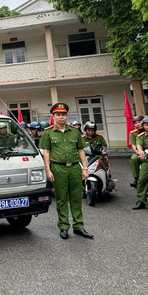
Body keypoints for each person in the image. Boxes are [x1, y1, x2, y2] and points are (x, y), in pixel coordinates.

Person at [40, 103, 93, 240]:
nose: (61, 117)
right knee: (61, 198)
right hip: (58, 169)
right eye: (58, 114)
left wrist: (85, 168)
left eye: (63, 114)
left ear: (66, 116)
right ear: (53, 116)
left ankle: (78, 226)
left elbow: (81, 150)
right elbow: (46, 152)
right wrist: (48, 170)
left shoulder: (75, 132)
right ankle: (63, 227)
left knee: (76, 197)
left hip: (74, 168)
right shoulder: (48, 132)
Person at [128, 116, 144, 187]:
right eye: (135, 123)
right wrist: (139, 153)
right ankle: (136, 178)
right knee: (134, 159)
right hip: (139, 152)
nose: (137, 124)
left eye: (139, 122)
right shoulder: (133, 133)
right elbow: (134, 146)